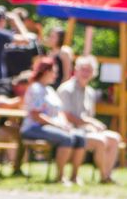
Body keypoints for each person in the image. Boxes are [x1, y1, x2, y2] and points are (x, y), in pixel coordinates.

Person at [20, 57, 86, 185]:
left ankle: (74, 177)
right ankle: (60, 177)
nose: (56, 75)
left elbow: (59, 112)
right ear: (46, 71)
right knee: (66, 138)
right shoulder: (36, 88)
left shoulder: (49, 90)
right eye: (54, 72)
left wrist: (65, 124)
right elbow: (36, 115)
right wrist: (58, 125)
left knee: (80, 137)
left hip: (51, 127)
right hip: (33, 128)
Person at [58, 55, 122, 183]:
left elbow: (88, 116)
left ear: (94, 73)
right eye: (83, 69)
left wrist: (91, 125)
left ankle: (107, 175)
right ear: (76, 70)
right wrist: (90, 122)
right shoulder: (66, 89)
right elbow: (66, 115)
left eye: (89, 70)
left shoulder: (90, 92)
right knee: (101, 141)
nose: (86, 73)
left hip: (86, 131)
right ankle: (104, 177)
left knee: (115, 138)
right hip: (70, 131)